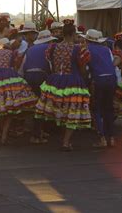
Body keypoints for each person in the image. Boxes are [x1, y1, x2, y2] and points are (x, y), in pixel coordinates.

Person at [35, 19, 91, 151]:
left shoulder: (53, 47)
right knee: (72, 111)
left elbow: (52, 64)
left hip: (55, 81)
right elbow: (82, 68)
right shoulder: (78, 49)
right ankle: (65, 142)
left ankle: (59, 136)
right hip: (72, 82)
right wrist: (84, 78)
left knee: (59, 109)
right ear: (72, 35)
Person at [0, 38, 37, 145]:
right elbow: (15, 66)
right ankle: (4, 134)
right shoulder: (12, 53)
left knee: (1, 108)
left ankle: (1, 131)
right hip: (9, 78)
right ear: (7, 45)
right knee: (10, 107)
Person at [19, 30, 57, 144]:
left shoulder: (29, 49)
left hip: (29, 76)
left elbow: (22, 66)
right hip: (42, 76)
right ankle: (36, 134)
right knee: (42, 105)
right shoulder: (49, 48)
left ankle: (38, 131)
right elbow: (52, 65)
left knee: (36, 105)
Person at [84, 29, 117, 147]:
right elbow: (112, 64)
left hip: (98, 79)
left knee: (96, 109)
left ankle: (102, 138)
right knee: (109, 109)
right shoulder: (107, 49)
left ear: (87, 40)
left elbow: (85, 68)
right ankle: (111, 138)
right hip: (112, 78)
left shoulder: (87, 50)